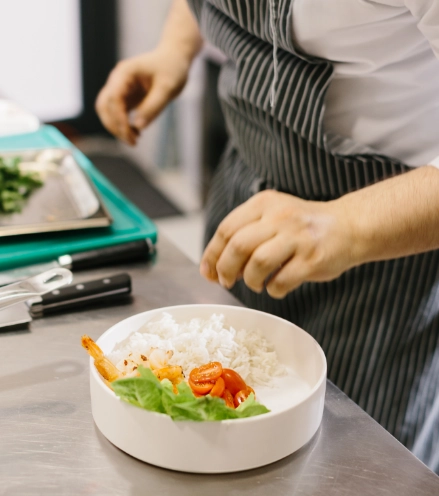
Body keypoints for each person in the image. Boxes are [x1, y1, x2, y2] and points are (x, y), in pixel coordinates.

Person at [96, 0, 439, 473]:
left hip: (383, 250)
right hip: (245, 189)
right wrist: (174, 50)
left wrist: (348, 225)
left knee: (345, 467)